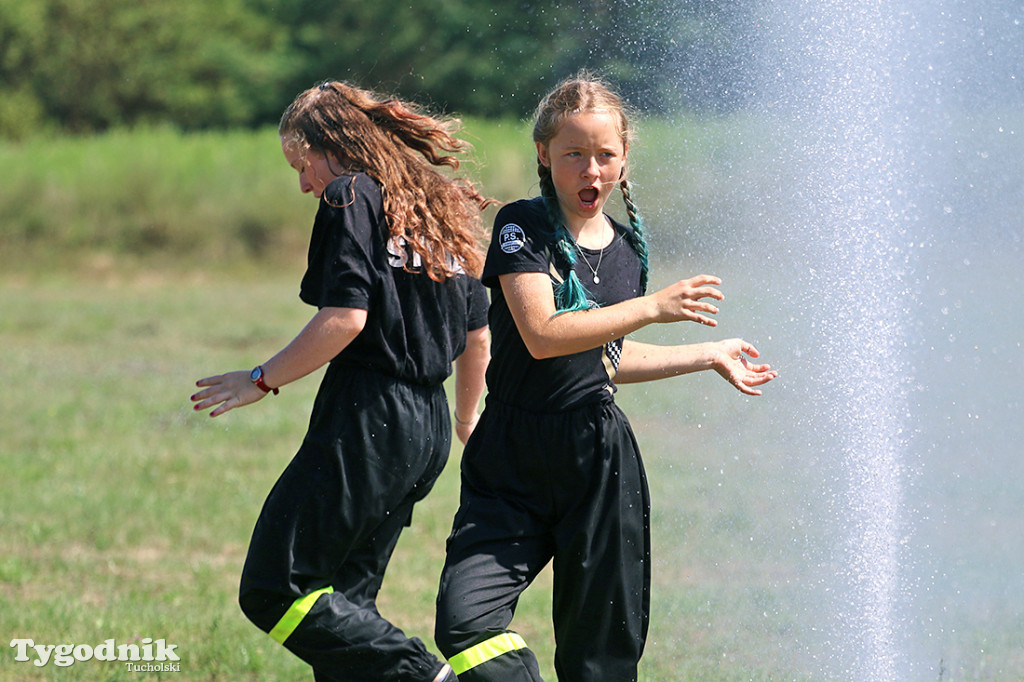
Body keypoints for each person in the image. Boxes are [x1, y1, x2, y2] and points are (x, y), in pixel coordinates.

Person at [433, 74, 778, 682]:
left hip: (597, 461)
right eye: (573, 155)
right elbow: (543, 334)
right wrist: (652, 308)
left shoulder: (626, 252)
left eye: (605, 155)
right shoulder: (523, 228)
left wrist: (706, 354)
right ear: (544, 155)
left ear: (623, 158)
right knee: (465, 621)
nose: (591, 171)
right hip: (510, 454)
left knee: (601, 661)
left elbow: (603, 359)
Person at [190, 80, 493, 682]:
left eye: (302, 165)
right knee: (345, 610)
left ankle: (429, 676)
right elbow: (477, 337)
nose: (304, 183)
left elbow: (345, 318)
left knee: (277, 589)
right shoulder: (433, 204)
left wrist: (261, 379)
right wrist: (463, 423)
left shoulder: (350, 194)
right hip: (426, 429)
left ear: (334, 146)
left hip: (370, 419)